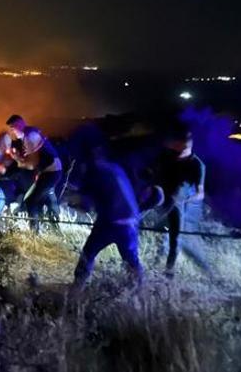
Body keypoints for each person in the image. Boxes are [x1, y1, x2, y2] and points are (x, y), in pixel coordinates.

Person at [72, 131, 143, 289]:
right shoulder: (114, 168)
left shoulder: (92, 172)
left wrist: (74, 201)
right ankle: (140, 293)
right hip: (131, 222)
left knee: (87, 254)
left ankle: (76, 291)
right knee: (132, 262)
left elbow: (85, 206)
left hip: (109, 224)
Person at [150, 124, 211, 277]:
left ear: (189, 146)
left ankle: (169, 272)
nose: (179, 153)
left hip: (178, 205)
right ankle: (155, 262)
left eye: (183, 149)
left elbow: (200, 193)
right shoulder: (168, 155)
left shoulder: (197, 165)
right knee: (157, 232)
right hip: (160, 199)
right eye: (177, 148)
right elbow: (155, 172)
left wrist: (187, 200)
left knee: (176, 240)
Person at [13, 125, 63, 233]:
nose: (12, 131)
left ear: (17, 126)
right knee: (44, 197)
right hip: (50, 171)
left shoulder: (30, 137)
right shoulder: (30, 135)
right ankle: (55, 228)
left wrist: (18, 161)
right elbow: (35, 159)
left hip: (50, 172)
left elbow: (31, 164)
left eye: (13, 128)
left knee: (31, 201)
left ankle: (34, 233)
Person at [0, 131, 34, 216]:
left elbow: (13, 172)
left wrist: (2, 168)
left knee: (4, 197)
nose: (5, 145)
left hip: (11, 185)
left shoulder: (11, 155)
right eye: (3, 142)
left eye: (7, 143)